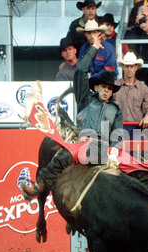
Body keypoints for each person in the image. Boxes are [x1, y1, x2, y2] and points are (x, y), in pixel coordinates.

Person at [22, 32, 123, 198]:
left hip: (105, 149)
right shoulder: (85, 99)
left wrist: (114, 151)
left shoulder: (116, 109)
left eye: (110, 88)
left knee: (137, 169)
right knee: (63, 154)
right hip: (83, 144)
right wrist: (93, 48)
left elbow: (118, 134)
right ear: (96, 87)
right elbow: (80, 70)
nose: (106, 90)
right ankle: (39, 186)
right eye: (104, 87)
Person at [114, 52, 148, 137]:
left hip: (137, 127)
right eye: (127, 66)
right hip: (118, 127)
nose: (129, 69)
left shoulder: (143, 88)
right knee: (119, 149)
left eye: (131, 66)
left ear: (136, 67)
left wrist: (147, 116)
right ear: (123, 67)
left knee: (138, 150)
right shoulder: (114, 86)